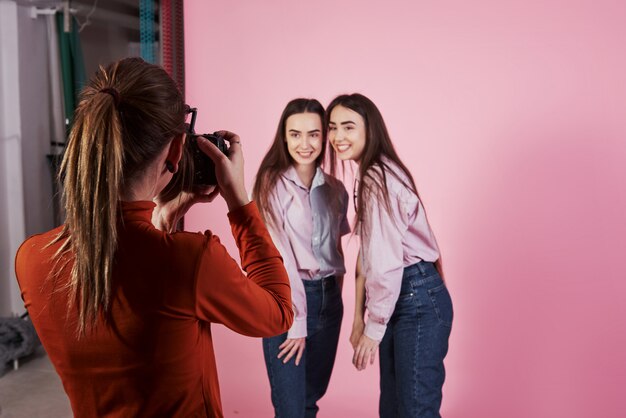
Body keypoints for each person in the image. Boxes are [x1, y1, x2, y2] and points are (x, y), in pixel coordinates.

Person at [14, 57, 293, 418]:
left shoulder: (31, 258)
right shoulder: (191, 260)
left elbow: (132, 323)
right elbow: (278, 313)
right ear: (177, 150)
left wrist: (160, 220)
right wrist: (239, 202)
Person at [327, 93, 453, 418]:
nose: (338, 137)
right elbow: (369, 255)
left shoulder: (377, 178)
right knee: (395, 410)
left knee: (414, 411)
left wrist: (374, 323)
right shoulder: (370, 173)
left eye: (348, 127)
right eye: (332, 127)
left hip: (415, 297)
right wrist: (359, 317)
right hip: (406, 293)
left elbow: (385, 263)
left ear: (370, 129)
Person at [252, 98, 350, 418]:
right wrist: (296, 320)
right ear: (284, 136)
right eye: (295, 134)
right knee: (291, 408)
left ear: (325, 138)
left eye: (313, 134)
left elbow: (337, 255)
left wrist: (336, 299)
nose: (304, 144)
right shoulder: (270, 185)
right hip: (287, 299)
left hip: (329, 299)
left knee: (310, 402)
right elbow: (280, 259)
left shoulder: (336, 190)